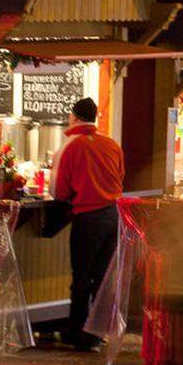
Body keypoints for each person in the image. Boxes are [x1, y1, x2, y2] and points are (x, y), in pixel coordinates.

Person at [52, 97, 124, 352]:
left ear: (73, 116)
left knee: (81, 277)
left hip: (88, 217)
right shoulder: (112, 145)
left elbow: (59, 191)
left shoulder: (71, 146)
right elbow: (120, 176)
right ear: (95, 118)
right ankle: (97, 332)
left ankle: (78, 333)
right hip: (114, 215)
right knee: (102, 278)